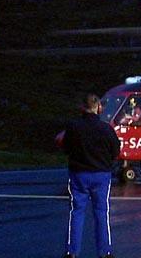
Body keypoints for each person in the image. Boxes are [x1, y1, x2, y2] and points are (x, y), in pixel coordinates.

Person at [56, 93, 121, 258]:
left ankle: (72, 251)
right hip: (101, 174)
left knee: (77, 212)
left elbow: (66, 147)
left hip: (79, 174)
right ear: (99, 107)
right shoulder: (106, 128)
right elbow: (116, 150)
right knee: (101, 212)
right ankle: (105, 251)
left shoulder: (73, 127)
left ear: (82, 107)